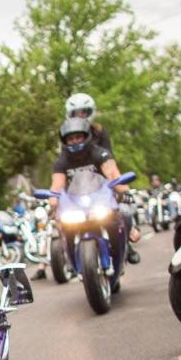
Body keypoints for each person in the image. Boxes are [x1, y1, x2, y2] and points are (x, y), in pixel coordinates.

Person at [32, 118, 138, 281]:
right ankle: (71, 261)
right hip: (75, 204)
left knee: (125, 213)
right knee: (62, 226)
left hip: (102, 200)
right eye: (70, 138)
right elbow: (57, 185)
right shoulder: (62, 161)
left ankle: (125, 251)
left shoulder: (99, 153)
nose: (74, 141)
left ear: (86, 136)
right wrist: (53, 202)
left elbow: (112, 174)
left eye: (78, 137)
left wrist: (124, 191)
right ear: (65, 141)